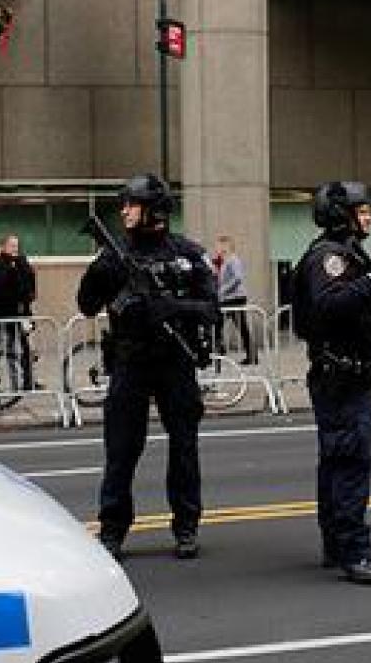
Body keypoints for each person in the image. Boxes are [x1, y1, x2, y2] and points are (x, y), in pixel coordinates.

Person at [76, 173, 218, 560]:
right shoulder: (114, 255)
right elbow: (86, 305)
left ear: (154, 209)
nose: (124, 210)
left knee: (184, 447)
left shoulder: (188, 254)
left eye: (132, 204)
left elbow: (212, 309)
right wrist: (98, 276)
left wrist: (172, 308)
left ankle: (186, 525)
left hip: (176, 361)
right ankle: (112, 528)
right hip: (130, 361)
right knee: (121, 450)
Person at [290, 181, 371, 585]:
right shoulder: (328, 258)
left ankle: (336, 541)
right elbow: (329, 305)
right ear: (341, 214)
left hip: (353, 372)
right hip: (341, 375)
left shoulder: (351, 254)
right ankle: (354, 549)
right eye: (362, 210)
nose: (368, 217)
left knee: (338, 459)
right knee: (350, 461)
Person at [0, 234, 37, 390]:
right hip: (2, 316)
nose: (15, 249)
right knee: (0, 350)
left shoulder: (22, 263)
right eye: (11, 245)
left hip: (20, 314)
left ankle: (25, 381)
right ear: (3, 247)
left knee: (23, 350)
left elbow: (29, 287)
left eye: (16, 245)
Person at [214, 234, 256, 364]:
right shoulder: (226, 261)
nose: (217, 248)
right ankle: (221, 352)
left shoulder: (233, 260)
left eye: (219, 245)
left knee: (235, 326)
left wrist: (223, 290)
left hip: (233, 298)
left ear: (226, 246)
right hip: (229, 298)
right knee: (222, 325)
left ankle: (250, 356)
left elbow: (238, 278)